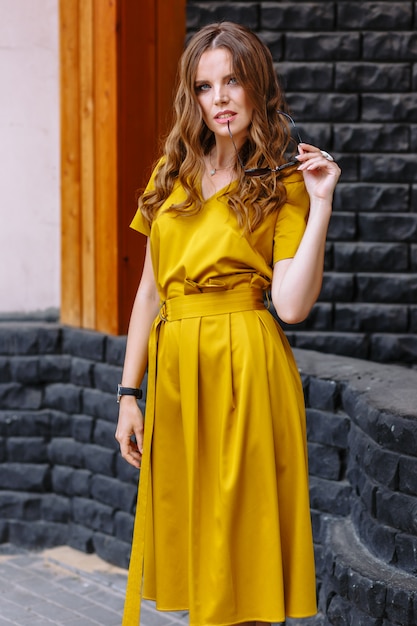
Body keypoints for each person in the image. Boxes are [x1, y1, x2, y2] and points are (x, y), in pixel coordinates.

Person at [115, 21, 341, 626]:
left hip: (246, 364)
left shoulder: (285, 183)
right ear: (192, 96)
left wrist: (319, 205)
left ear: (255, 86)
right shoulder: (170, 176)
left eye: (232, 80)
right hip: (177, 375)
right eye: (205, 85)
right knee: (196, 538)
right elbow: (148, 293)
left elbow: (291, 306)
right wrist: (128, 394)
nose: (219, 97)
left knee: (238, 540)